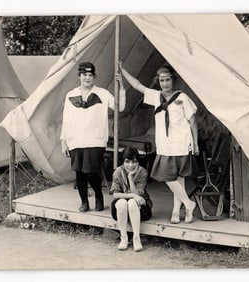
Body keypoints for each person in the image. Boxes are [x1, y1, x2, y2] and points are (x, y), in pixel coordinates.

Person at [119, 63, 199, 224]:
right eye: (162, 80)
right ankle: (189, 204)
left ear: (172, 80)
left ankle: (177, 212)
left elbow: (193, 121)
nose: (165, 83)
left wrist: (195, 143)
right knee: (167, 177)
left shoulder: (182, 98)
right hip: (164, 145)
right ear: (158, 82)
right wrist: (123, 70)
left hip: (182, 142)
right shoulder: (156, 97)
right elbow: (137, 85)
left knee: (179, 178)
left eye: (168, 80)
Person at [60, 62, 126, 212]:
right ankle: (84, 202)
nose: (87, 78)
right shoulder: (71, 95)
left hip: (95, 140)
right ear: (79, 76)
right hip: (75, 140)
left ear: (94, 76)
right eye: (84, 75)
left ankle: (98, 196)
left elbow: (120, 107)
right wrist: (63, 141)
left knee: (91, 171)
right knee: (79, 173)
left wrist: (121, 86)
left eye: (90, 75)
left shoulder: (102, 94)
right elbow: (66, 120)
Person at [110, 147, 152, 251]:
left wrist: (130, 177)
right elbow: (115, 194)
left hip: (141, 210)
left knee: (133, 203)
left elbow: (138, 194)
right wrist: (132, 196)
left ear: (138, 161)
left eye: (134, 161)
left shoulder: (143, 172)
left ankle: (136, 238)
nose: (130, 165)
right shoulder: (117, 172)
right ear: (122, 162)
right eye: (127, 162)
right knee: (121, 202)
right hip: (121, 211)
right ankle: (123, 238)